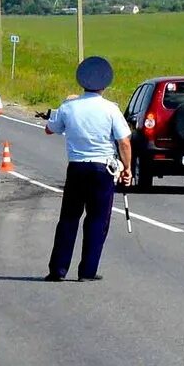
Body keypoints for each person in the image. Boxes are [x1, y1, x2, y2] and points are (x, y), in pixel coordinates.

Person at [43, 56, 132, 282]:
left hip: (76, 168)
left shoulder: (68, 107)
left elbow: (50, 129)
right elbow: (124, 142)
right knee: (97, 219)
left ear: (81, 81)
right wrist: (127, 168)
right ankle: (87, 271)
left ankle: (58, 270)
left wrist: (60, 110)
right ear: (105, 83)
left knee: (69, 218)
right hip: (102, 169)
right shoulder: (111, 109)